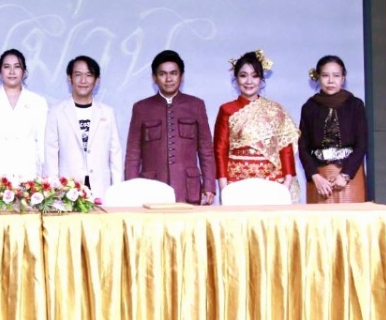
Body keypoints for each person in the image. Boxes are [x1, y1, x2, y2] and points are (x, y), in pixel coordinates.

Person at [124, 50, 216, 205]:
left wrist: (209, 185)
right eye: (162, 74)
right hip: (151, 187)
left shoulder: (196, 105)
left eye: (173, 73)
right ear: (154, 78)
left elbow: (206, 149)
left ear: (181, 76)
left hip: (188, 188)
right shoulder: (141, 108)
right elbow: (133, 153)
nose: (168, 79)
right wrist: (131, 187)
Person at [213, 50, 300, 202]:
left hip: (272, 181)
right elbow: (220, 149)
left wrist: (287, 181)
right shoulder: (227, 109)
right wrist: (223, 186)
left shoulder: (275, 110)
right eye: (243, 75)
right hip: (236, 182)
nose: (249, 81)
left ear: (261, 79)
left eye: (254, 76)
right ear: (236, 78)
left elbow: (285, 146)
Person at [44, 55, 123, 197]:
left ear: (97, 80)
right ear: (70, 79)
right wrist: (53, 191)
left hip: (101, 187)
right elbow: (51, 154)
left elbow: (115, 154)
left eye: (89, 75)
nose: (83, 80)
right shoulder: (56, 112)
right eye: (78, 75)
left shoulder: (107, 112)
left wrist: (117, 191)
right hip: (68, 188)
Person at [299, 55, 368, 203]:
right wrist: (315, 176)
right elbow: (303, 147)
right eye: (325, 75)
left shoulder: (355, 105)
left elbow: (361, 144)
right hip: (319, 178)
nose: (331, 81)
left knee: (352, 217)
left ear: (343, 78)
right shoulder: (309, 107)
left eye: (336, 76)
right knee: (319, 218)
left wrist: (345, 174)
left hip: (350, 174)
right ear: (318, 77)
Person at [0, 49, 48, 179]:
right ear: (0, 72)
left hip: (28, 174)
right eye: (7, 67)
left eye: (17, 67)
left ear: (24, 72)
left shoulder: (38, 102)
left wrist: (43, 181)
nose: (12, 72)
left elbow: (42, 144)